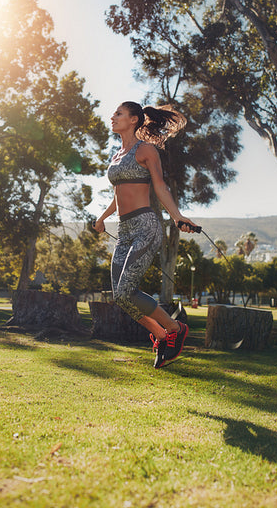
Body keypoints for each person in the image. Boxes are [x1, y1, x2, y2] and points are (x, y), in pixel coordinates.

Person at [93, 101, 200, 368]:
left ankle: (176, 329)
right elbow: (119, 195)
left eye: (118, 113)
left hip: (145, 226)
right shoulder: (117, 156)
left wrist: (177, 217)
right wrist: (103, 218)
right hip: (124, 229)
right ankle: (162, 336)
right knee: (120, 297)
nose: (113, 116)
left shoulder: (146, 150)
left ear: (133, 120)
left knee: (128, 290)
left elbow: (160, 187)